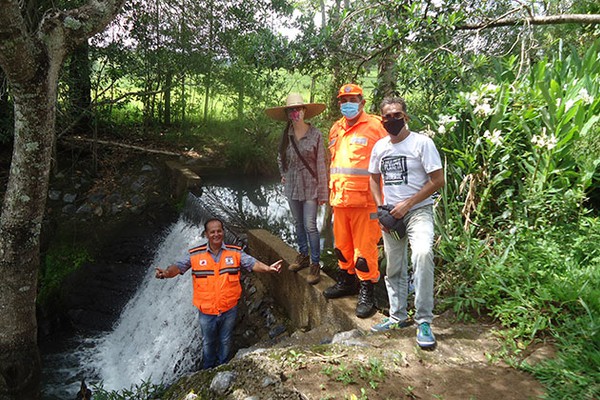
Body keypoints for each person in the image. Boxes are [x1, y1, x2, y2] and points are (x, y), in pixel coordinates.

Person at [368, 96, 444, 349]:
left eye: (397, 115)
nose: (392, 120)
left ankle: (423, 321)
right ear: (382, 119)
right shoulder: (380, 147)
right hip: (391, 214)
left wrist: (407, 205)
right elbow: (372, 178)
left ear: (406, 117)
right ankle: (397, 317)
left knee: (422, 255)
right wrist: (381, 207)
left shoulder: (422, 143)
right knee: (394, 265)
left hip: (418, 212)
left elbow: (437, 180)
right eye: (387, 116)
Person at [155, 218, 282, 369]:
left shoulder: (234, 252)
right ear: (206, 234)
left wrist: (268, 268)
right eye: (212, 232)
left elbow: (251, 263)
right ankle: (207, 369)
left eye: (219, 231)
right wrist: (166, 273)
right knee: (208, 342)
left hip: (229, 308)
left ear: (223, 232)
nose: (216, 234)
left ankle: (222, 366)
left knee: (226, 340)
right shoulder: (195, 254)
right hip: (207, 311)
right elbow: (178, 267)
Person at [323, 83, 388, 318]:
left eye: (352, 99)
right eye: (343, 100)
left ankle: (367, 292)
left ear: (362, 101)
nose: (347, 104)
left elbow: (389, 162)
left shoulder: (376, 127)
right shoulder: (335, 129)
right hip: (339, 200)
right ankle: (346, 282)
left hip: (366, 202)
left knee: (364, 252)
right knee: (342, 248)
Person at [265, 93, 328, 284]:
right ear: (288, 113)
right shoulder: (287, 134)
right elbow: (280, 157)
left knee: (310, 225)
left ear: (304, 111)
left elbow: (321, 164)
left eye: (298, 109)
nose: (295, 113)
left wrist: (324, 192)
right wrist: (283, 173)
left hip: (311, 186)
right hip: (292, 186)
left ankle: (315, 264)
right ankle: (303, 255)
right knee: (298, 223)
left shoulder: (315, 134)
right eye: (291, 110)